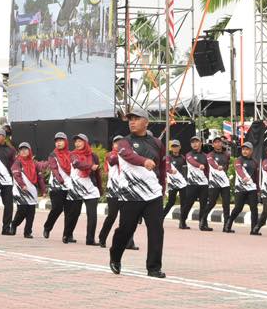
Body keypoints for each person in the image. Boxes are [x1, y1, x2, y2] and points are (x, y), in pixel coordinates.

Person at [108, 108, 168, 278]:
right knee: (126, 230)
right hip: (131, 195)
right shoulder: (124, 143)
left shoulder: (157, 143)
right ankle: (115, 256)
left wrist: (162, 188)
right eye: (130, 119)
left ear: (146, 122)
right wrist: (144, 161)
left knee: (156, 230)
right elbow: (128, 156)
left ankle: (154, 268)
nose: (132, 122)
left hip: (153, 195)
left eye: (136, 118)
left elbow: (162, 168)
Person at [64, 133, 100, 244]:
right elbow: (77, 164)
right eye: (76, 141)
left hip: (90, 189)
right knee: (74, 214)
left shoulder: (93, 156)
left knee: (92, 215)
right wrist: (90, 166)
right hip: (76, 189)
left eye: (80, 141)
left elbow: (97, 173)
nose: (77, 143)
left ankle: (90, 239)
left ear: (85, 142)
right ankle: (67, 235)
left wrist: (99, 187)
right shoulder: (73, 154)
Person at [42, 133, 71, 239]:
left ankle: (67, 234)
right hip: (56, 187)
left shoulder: (71, 154)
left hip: (70, 186)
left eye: (61, 140)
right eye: (56, 141)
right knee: (57, 208)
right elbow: (54, 169)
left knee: (69, 211)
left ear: (66, 141)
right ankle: (47, 227)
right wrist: (61, 180)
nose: (58, 143)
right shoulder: (52, 155)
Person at [225, 140, 258, 234]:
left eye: (247, 149)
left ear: (251, 151)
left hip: (252, 189)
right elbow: (239, 169)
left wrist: (258, 189)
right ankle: (228, 225)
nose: (244, 151)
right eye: (243, 149)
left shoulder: (255, 161)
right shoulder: (238, 160)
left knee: (254, 209)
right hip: (240, 189)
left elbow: (256, 176)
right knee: (238, 208)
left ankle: (254, 229)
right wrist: (244, 177)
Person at [10, 142, 41, 238]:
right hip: (20, 191)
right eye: (21, 149)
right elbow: (16, 175)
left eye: (25, 149)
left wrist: (43, 190)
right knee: (22, 211)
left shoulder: (34, 163)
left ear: (29, 150)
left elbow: (40, 178)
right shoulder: (17, 162)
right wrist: (22, 185)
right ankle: (14, 225)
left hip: (32, 191)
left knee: (31, 212)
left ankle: (27, 232)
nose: (23, 151)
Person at [0, 128, 16, 236]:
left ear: (4, 137)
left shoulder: (11, 150)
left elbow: (13, 164)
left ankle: (6, 228)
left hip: (7, 181)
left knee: (9, 205)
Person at [179, 135, 209, 229]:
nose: (194, 144)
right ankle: (182, 222)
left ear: (200, 143)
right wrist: (199, 165)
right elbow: (192, 162)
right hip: (192, 184)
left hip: (204, 184)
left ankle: (203, 223)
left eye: (196, 142)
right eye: (192, 142)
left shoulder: (205, 156)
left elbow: (208, 169)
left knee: (204, 205)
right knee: (188, 204)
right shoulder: (188, 155)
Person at [202, 135, 231, 231]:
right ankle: (203, 220)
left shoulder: (226, 154)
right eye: (216, 142)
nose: (218, 144)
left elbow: (227, 165)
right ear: (213, 144)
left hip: (225, 183)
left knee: (226, 204)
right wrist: (217, 167)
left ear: (221, 143)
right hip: (214, 182)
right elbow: (211, 163)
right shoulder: (210, 154)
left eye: (219, 142)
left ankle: (226, 226)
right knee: (212, 203)